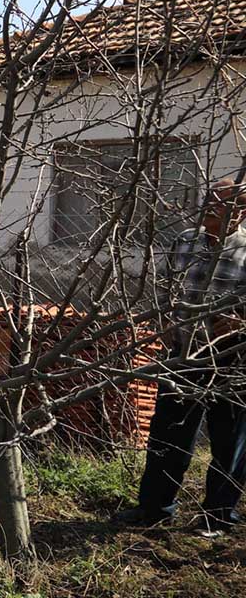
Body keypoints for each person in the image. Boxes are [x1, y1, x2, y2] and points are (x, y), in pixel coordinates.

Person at [115, 179, 246, 538]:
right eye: (208, 200)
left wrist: (239, 322)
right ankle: (154, 508)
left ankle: (218, 516)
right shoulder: (185, 241)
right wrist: (165, 324)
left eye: (217, 204)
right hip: (183, 354)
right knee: (169, 432)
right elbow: (167, 288)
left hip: (231, 359)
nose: (207, 208)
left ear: (240, 212)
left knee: (228, 439)